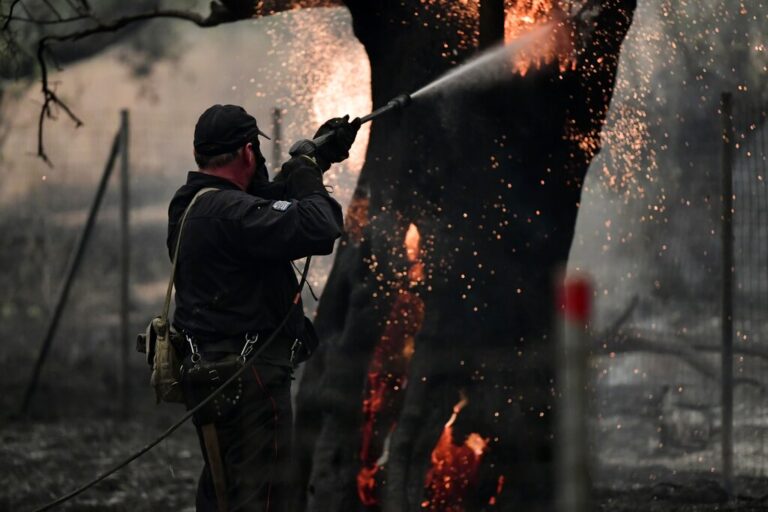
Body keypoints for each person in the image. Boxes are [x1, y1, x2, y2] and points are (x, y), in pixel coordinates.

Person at [167, 104, 359, 511]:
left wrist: (317, 157)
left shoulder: (193, 205)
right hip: (250, 383)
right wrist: (305, 174)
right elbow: (319, 225)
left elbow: (260, 207)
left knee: (225, 492)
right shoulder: (231, 214)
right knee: (266, 498)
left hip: (215, 377)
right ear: (248, 152)